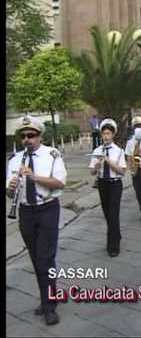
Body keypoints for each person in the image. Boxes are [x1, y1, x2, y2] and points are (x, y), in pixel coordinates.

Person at [6, 116, 67, 325]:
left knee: (45, 259)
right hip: (26, 212)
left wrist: (34, 177)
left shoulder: (52, 154)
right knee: (35, 258)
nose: (27, 139)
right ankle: (46, 298)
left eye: (31, 135)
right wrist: (10, 188)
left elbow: (60, 183)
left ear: (40, 136)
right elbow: (8, 192)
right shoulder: (14, 159)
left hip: (48, 209)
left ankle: (50, 306)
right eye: (23, 136)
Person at [88, 119, 126, 257]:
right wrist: (96, 166)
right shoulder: (97, 150)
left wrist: (108, 160)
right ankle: (117, 235)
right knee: (107, 215)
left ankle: (113, 246)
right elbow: (91, 172)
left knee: (113, 215)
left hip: (115, 184)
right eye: (104, 134)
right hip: (103, 184)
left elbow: (122, 171)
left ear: (113, 135)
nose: (106, 137)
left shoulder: (119, 151)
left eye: (108, 133)